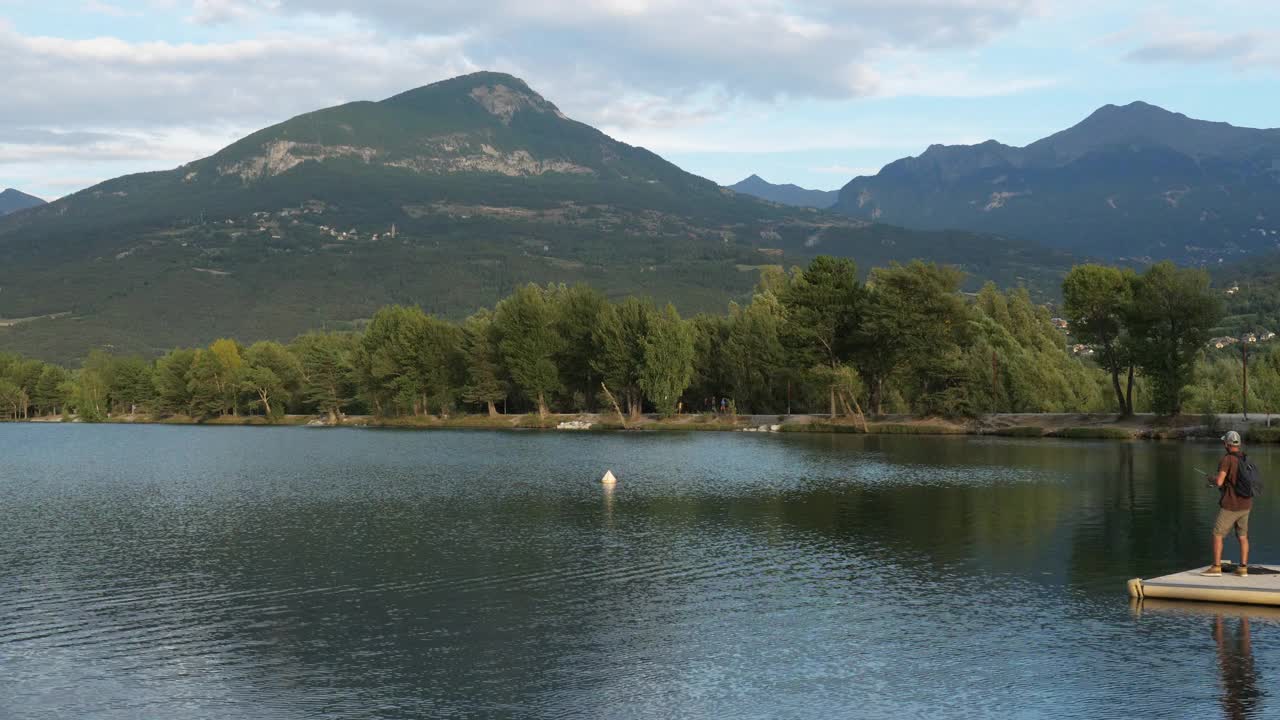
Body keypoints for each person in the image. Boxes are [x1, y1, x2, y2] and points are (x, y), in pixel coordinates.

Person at [1202, 431, 1252, 577]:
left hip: (1231, 505)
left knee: (1217, 534)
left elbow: (1219, 482)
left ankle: (1216, 567)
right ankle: (1243, 568)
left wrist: (1212, 479)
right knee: (1243, 536)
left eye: (1224, 442)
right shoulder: (1244, 457)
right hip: (1246, 503)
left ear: (1226, 444)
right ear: (1239, 444)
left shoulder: (1227, 459)